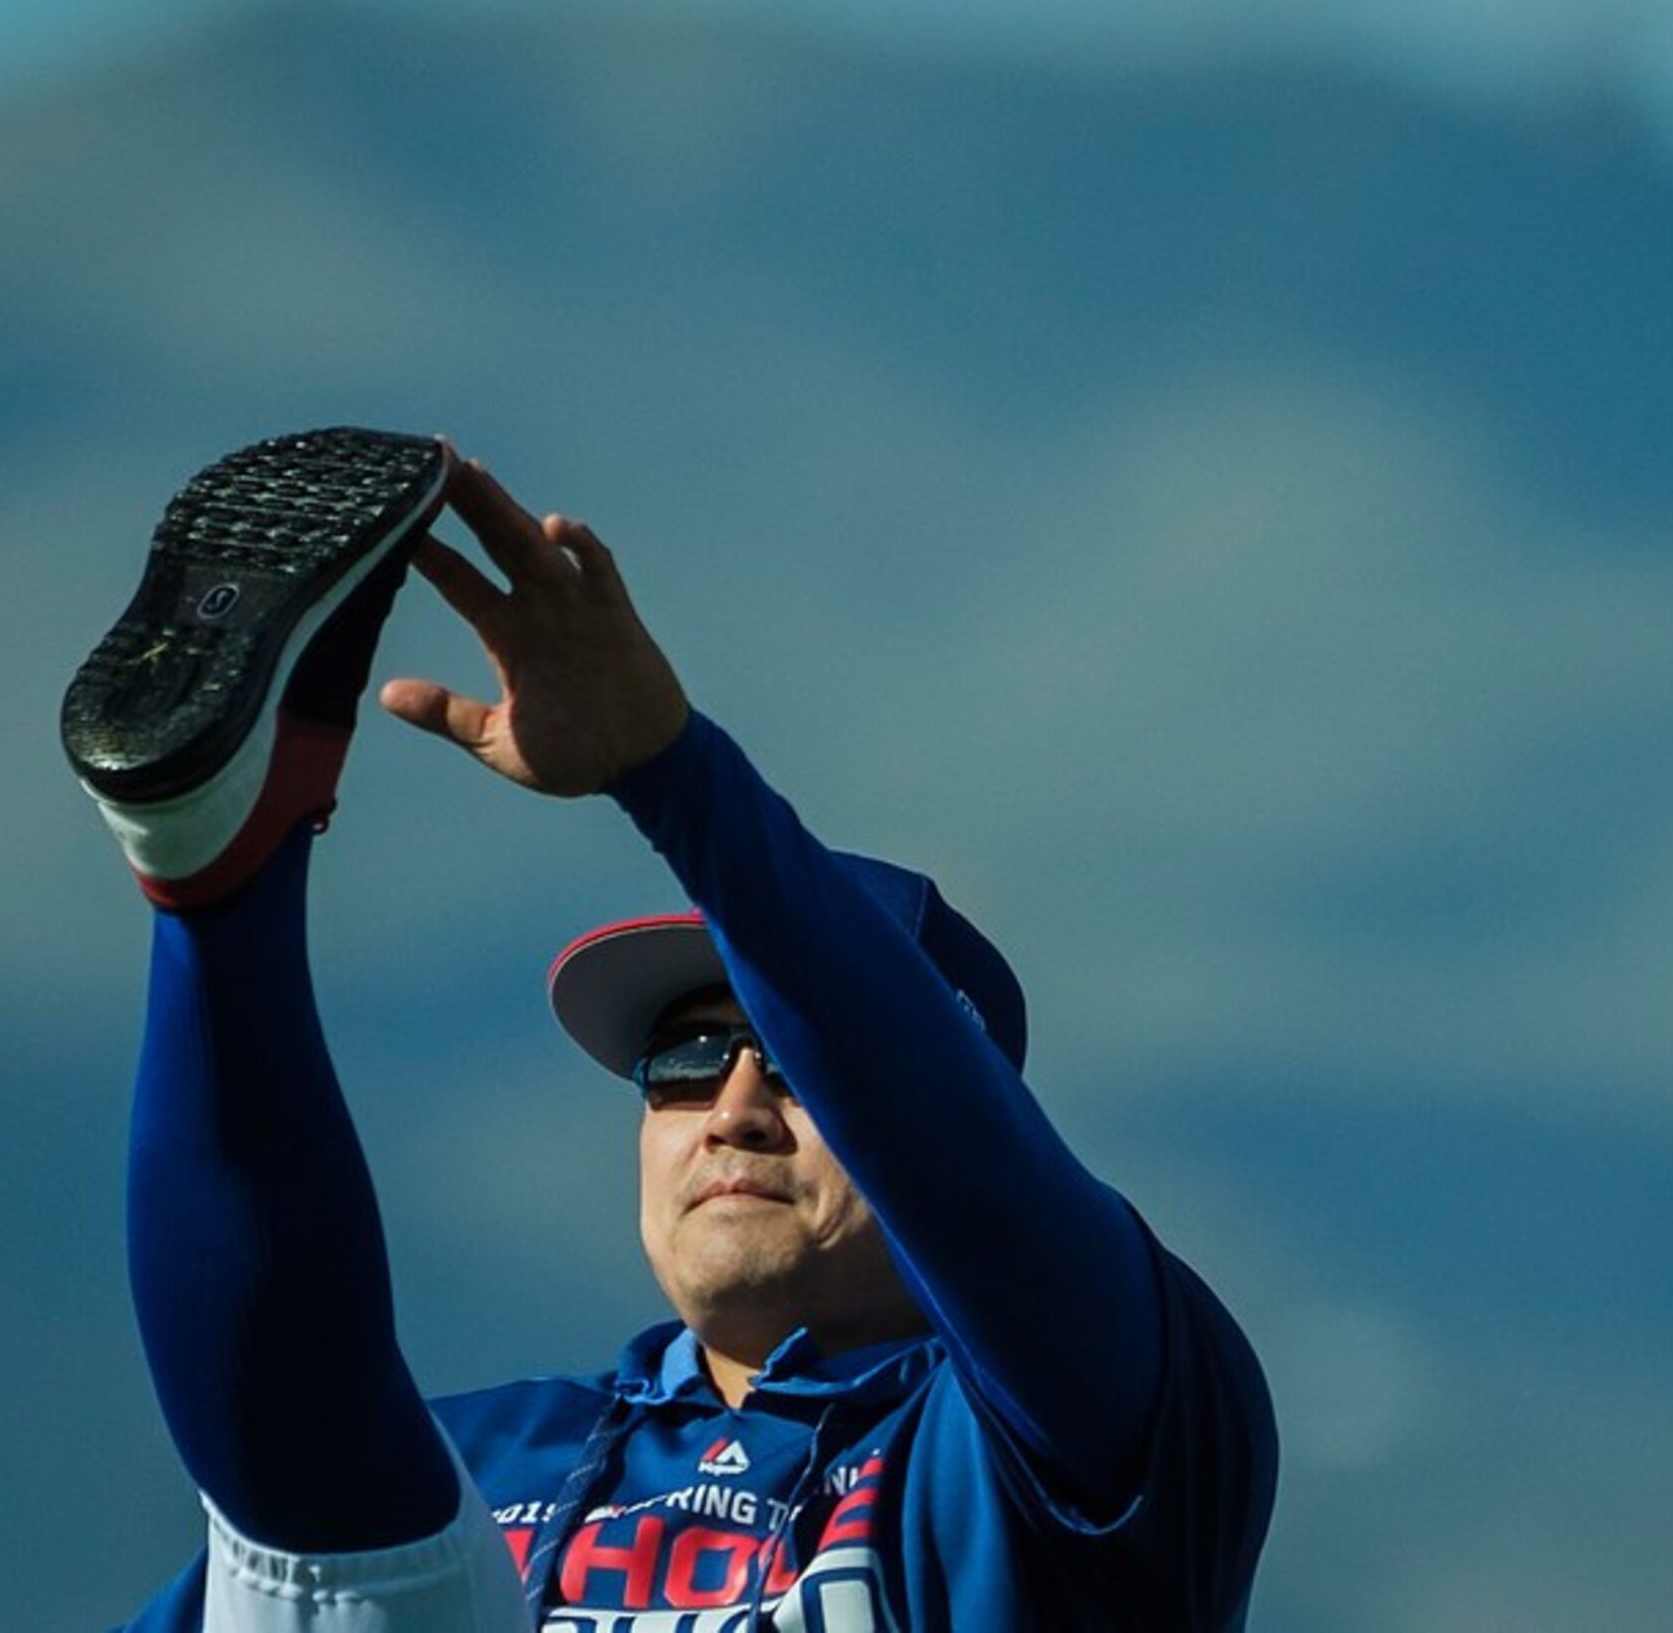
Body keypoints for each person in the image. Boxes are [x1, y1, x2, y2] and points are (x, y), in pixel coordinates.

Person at [62, 427, 1277, 1633]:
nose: (734, 1108)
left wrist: (673, 774)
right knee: (320, 1533)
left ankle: (222, 901)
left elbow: (973, 1173)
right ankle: (216, 876)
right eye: (683, 1064)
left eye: (799, 1066)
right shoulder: (476, 1463)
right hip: (407, 1557)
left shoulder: (1081, 1441)